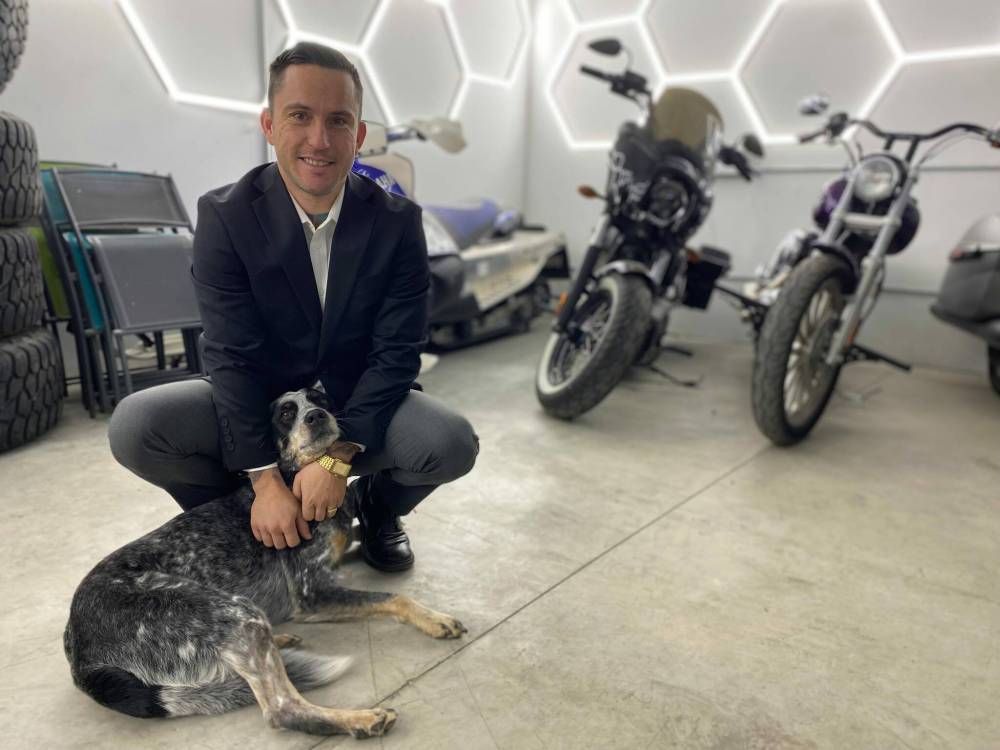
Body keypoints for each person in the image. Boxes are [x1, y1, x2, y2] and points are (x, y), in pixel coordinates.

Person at [108, 42, 478, 572]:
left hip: (355, 404)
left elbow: (397, 351)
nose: (319, 140)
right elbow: (231, 354)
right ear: (269, 124)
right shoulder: (225, 216)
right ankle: (244, 516)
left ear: (360, 134)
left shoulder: (397, 222)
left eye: (339, 120)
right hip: (261, 401)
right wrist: (262, 480)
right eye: (299, 116)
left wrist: (337, 456)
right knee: (138, 426)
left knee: (448, 442)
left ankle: (376, 511)